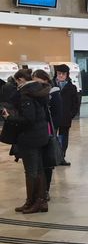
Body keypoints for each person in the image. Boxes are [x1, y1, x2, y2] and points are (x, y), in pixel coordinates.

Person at [1, 69, 50, 214]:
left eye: (16, 82)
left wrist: (8, 117)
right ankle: (39, 201)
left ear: (21, 80)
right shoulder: (39, 91)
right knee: (39, 169)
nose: (16, 85)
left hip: (30, 137)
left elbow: (29, 119)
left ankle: (33, 202)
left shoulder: (26, 94)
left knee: (31, 171)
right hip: (40, 135)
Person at [32, 70, 62, 202]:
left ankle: (45, 190)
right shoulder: (32, 93)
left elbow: (57, 113)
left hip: (48, 132)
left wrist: (52, 128)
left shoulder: (53, 92)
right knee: (36, 163)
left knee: (47, 163)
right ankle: (37, 191)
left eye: (38, 80)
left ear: (45, 79)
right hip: (35, 133)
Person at [52, 64, 79, 166]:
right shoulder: (51, 85)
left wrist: (71, 114)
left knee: (63, 138)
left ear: (67, 75)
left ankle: (61, 157)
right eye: (59, 73)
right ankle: (52, 157)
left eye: (63, 74)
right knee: (52, 137)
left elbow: (76, 103)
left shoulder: (71, 87)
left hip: (65, 118)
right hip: (53, 118)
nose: (61, 75)